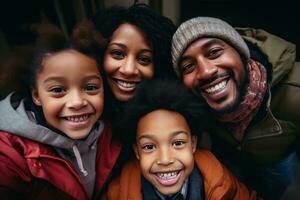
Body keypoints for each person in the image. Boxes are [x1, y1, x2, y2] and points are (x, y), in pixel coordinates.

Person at [171, 16, 300, 200]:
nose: (206, 71)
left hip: (275, 160)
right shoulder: (193, 102)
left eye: (214, 52)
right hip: (229, 157)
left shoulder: (295, 90)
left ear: (241, 53)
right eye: (189, 66)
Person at [0, 22, 121, 199]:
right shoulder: (10, 153)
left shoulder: (111, 134)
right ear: (36, 96)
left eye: (90, 87)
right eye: (58, 90)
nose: (77, 102)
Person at [104, 78, 260, 199]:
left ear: (193, 144)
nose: (165, 160)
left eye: (178, 143)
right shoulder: (118, 193)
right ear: (137, 151)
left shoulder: (221, 181)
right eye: (149, 147)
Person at [92, 3, 176, 123]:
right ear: (99, 55)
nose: (129, 70)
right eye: (118, 53)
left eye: (144, 59)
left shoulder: (168, 121)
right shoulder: (79, 113)